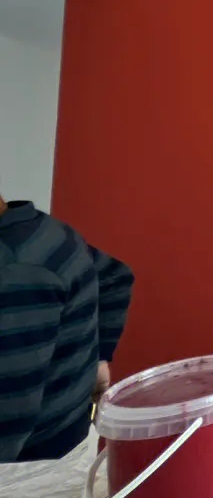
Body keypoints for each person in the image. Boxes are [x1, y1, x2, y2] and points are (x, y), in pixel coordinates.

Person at [0, 195, 134, 462]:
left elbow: (9, 416)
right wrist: (99, 360)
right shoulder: (46, 232)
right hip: (70, 432)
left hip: (31, 464)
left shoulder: (16, 274)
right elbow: (114, 277)